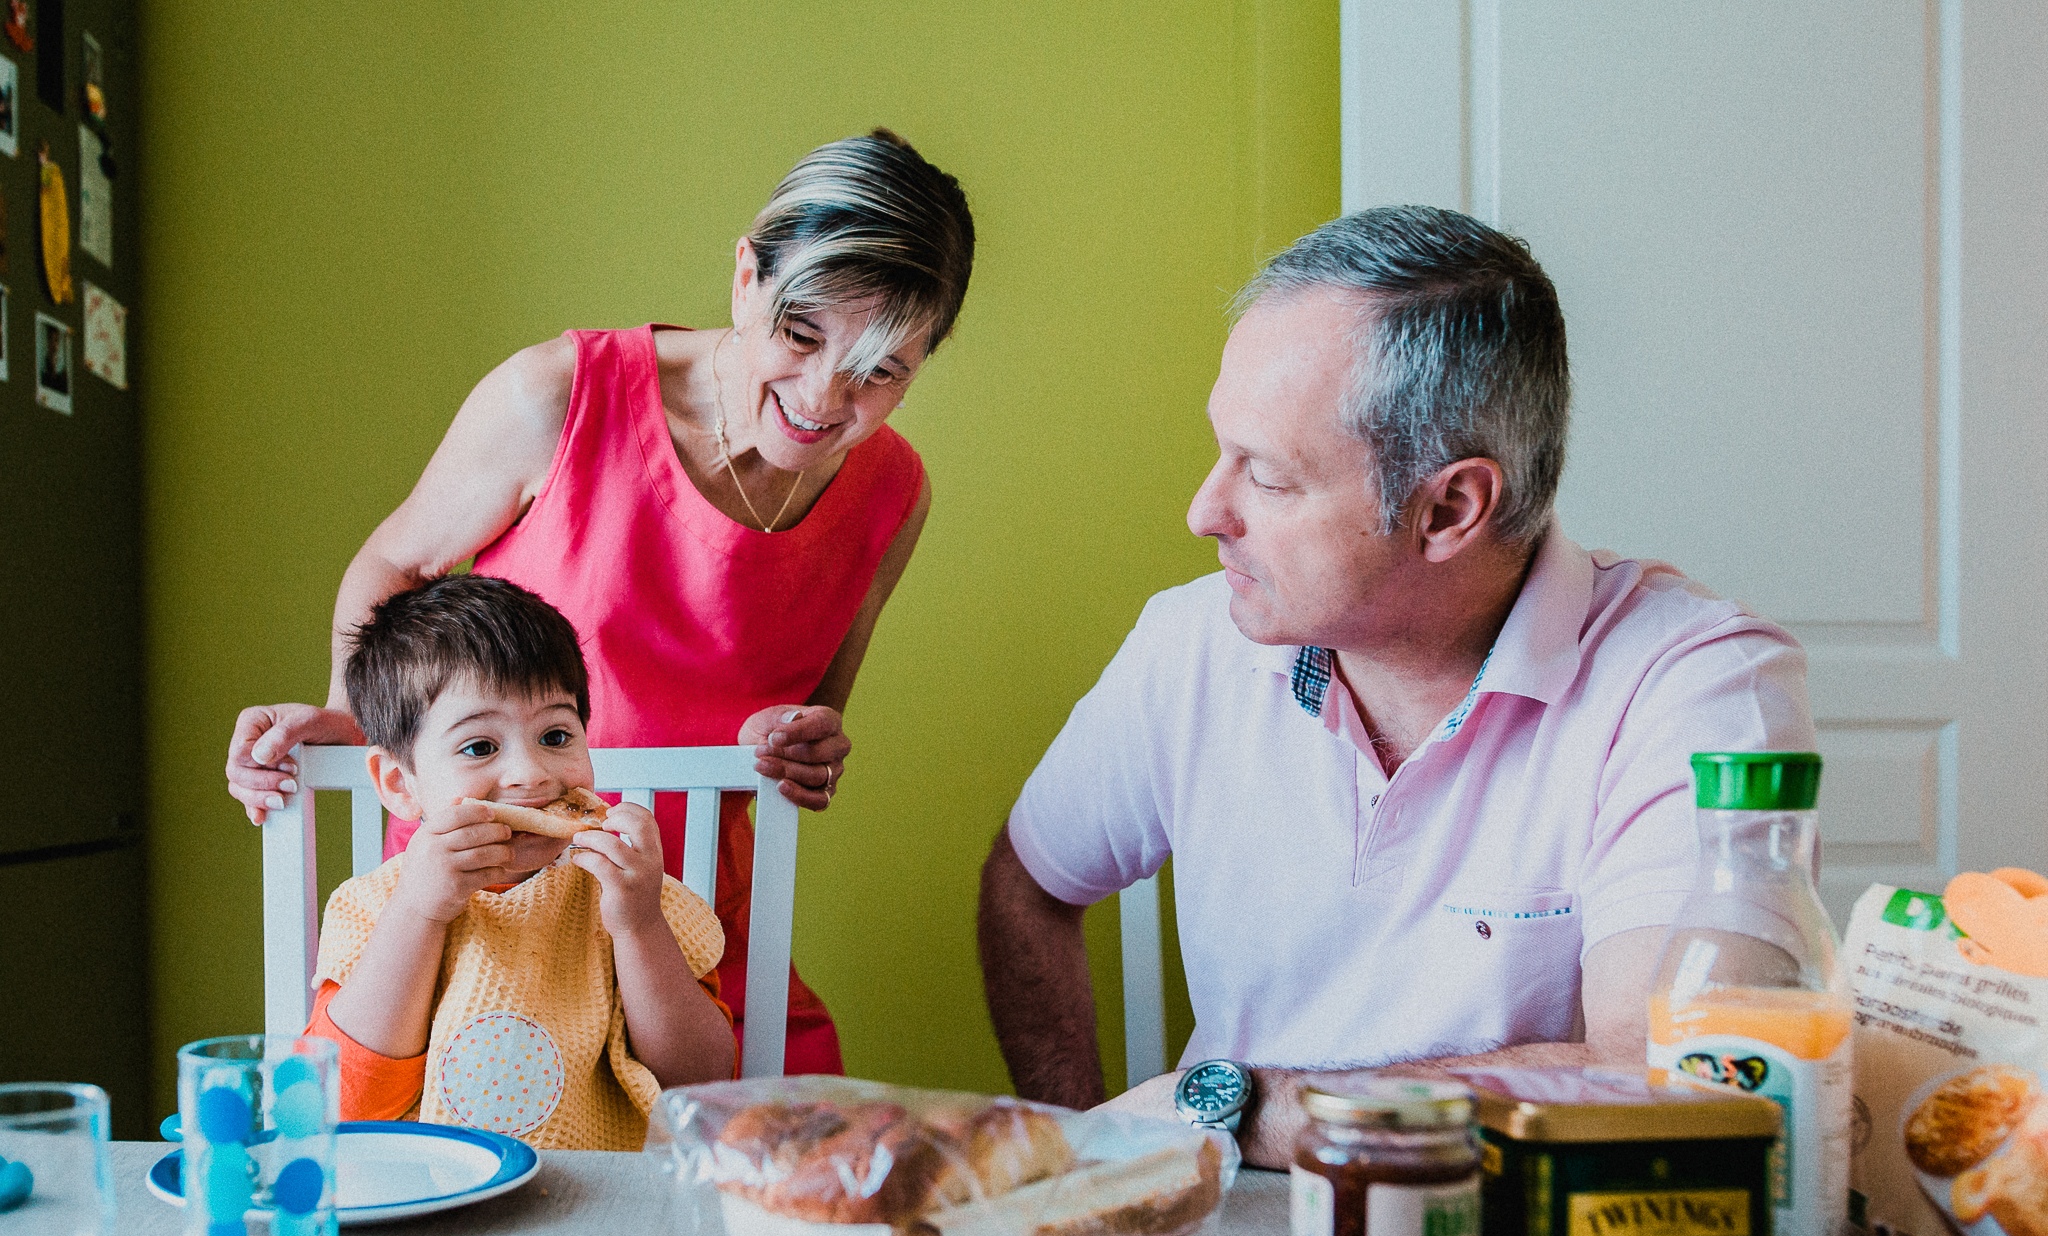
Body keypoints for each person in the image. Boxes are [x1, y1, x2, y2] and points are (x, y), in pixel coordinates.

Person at [977, 205, 1816, 1168]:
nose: (1206, 510)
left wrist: (1247, 1108)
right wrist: (1084, 1157)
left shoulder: (1698, 682)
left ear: (1451, 506)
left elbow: (1678, 1082)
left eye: (1270, 477)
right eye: (1223, 452)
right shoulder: (1192, 642)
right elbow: (1029, 885)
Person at [227, 129, 975, 1075]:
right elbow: (395, 561)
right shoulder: (556, 396)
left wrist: (808, 743)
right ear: (747, 276)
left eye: (883, 370)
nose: (826, 398)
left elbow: (813, 706)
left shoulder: (895, 496)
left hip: (684, 919)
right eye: (800, 332)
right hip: (483, 908)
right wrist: (351, 710)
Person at [306, 575, 733, 1149]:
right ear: (399, 784)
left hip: (599, 1199)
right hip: (432, 1200)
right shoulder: (374, 908)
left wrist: (638, 924)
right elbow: (348, 1103)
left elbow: (699, 1082)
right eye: (480, 747)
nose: (532, 775)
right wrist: (418, 914)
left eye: (556, 735)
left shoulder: (633, 896)